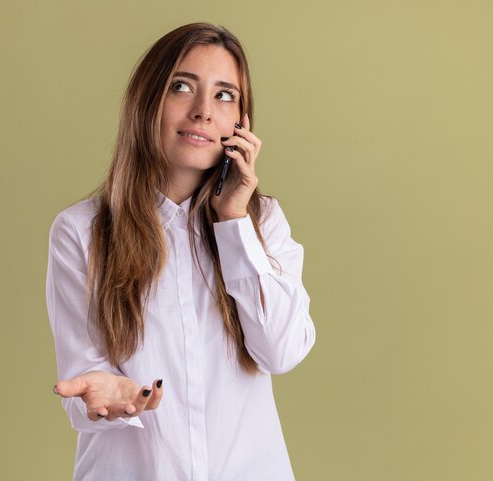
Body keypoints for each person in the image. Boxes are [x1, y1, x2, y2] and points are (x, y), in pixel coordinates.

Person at [46, 22, 316, 481]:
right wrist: (108, 398)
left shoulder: (262, 222)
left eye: (224, 95)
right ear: (147, 101)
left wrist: (234, 221)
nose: (203, 112)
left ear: (242, 122)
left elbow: (282, 350)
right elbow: (83, 382)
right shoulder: (82, 232)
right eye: (182, 86)